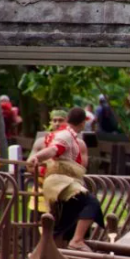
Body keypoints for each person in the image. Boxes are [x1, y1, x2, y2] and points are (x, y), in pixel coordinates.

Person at [26, 107, 104, 251]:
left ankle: (45, 255)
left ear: (67, 120)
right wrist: (37, 157)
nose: (57, 123)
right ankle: (77, 240)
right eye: (54, 120)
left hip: (66, 181)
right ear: (83, 123)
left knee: (64, 223)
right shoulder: (66, 136)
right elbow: (54, 150)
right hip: (59, 182)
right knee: (92, 203)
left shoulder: (73, 138)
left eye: (60, 120)